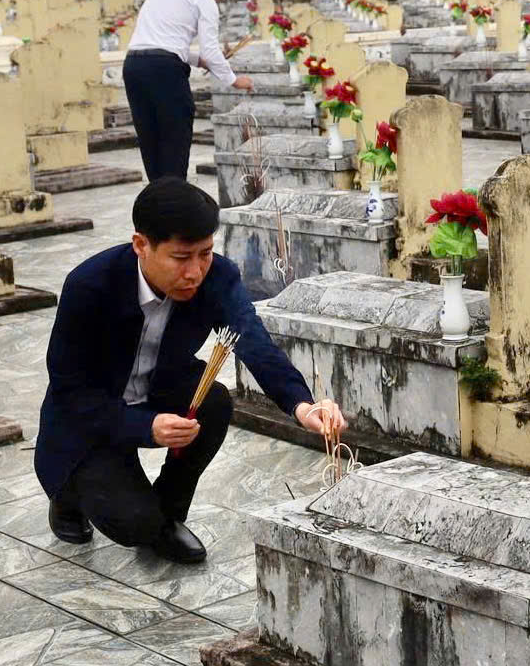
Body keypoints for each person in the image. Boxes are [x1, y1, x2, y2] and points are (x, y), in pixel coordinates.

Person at [38, 179, 345, 564]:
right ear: (141, 245)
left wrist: (302, 404)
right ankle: (69, 497)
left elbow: (252, 339)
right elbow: (70, 391)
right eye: (181, 257)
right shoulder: (90, 286)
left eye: (205, 254)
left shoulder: (218, 277)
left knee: (213, 402)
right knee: (131, 524)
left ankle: (166, 516)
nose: (195, 271)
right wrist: (144, 427)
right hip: (93, 417)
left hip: (159, 390)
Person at [121, 0, 252, 182]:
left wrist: (200, 61)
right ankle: (175, 193)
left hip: (133, 66)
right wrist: (234, 80)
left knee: (150, 138)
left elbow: (165, 42)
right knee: (175, 135)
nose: (217, 2)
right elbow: (210, 49)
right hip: (164, 71)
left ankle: (158, 194)